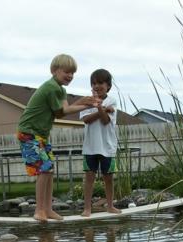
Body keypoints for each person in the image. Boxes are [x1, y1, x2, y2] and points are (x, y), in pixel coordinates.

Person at [18, 54, 100, 223]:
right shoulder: (51, 88)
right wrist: (87, 103)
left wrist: (83, 101)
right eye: (67, 72)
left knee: (49, 169)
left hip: (40, 134)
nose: (70, 76)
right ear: (55, 71)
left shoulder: (60, 90)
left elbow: (63, 110)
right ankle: (39, 210)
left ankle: (48, 209)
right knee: (44, 169)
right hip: (29, 133)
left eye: (73, 73)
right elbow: (62, 112)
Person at [80, 68, 121, 217]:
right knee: (89, 177)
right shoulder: (87, 101)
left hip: (107, 147)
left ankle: (110, 205)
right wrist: (101, 109)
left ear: (108, 86)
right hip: (90, 147)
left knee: (108, 178)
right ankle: (87, 208)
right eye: (94, 83)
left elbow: (105, 121)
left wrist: (100, 109)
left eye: (100, 83)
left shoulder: (112, 101)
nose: (97, 86)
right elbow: (86, 120)